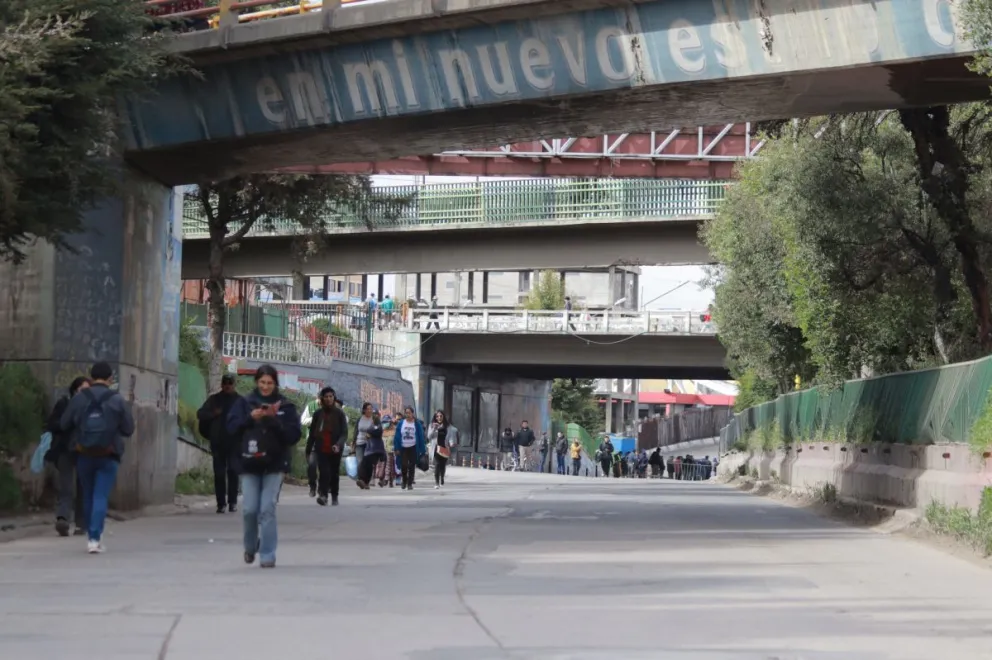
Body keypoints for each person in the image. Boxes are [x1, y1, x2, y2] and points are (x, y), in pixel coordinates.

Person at [227, 365, 301, 568]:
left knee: (267, 508)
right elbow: (231, 428)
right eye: (262, 382)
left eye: (269, 383)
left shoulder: (285, 406)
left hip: (274, 464)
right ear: (257, 383)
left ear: (275, 384)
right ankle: (250, 547)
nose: (266, 387)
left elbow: (294, 435)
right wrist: (249, 419)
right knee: (250, 509)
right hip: (249, 463)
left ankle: (268, 554)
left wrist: (274, 420)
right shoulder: (245, 403)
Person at [60, 362, 134, 554]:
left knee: (88, 494)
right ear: (110, 378)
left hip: (83, 453)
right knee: (100, 495)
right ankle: (95, 538)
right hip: (108, 454)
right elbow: (128, 429)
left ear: (91, 377)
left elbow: (64, 423)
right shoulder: (117, 400)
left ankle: (90, 534)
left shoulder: (79, 398)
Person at [47, 376, 90, 537]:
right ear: (75, 389)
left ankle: (81, 523)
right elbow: (52, 424)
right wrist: (67, 423)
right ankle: (63, 519)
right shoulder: (64, 404)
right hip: (65, 450)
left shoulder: (90, 407)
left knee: (82, 487)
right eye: (82, 389)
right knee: (66, 487)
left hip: (84, 451)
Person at [197, 374, 241, 514]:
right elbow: (200, 414)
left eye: (230, 383)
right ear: (222, 385)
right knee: (219, 474)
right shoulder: (214, 400)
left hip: (235, 443)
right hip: (218, 442)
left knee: (233, 471)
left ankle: (232, 501)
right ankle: (221, 503)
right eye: (225, 383)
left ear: (234, 385)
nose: (227, 385)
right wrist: (213, 414)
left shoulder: (240, 401)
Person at [305, 387, 348, 506]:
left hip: (335, 448)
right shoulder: (318, 414)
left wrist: (338, 444)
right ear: (322, 399)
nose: (328, 399)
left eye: (331, 396)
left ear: (334, 398)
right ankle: (323, 495)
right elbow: (313, 433)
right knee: (324, 472)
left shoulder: (339, 413)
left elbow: (344, 432)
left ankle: (334, 495)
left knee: (334, 472)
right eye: (326, 397)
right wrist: (308, 450)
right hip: (321, 446)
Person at [393, 406, 426, 490]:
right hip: (403, 447)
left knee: (412, 466)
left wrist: (422, 449)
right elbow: (397, 436)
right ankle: (404, 481)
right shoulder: (401, 423)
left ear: (412, 413)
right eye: (406, 413)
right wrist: (396, 448)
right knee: (403, 465)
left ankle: (410, 483)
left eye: (409, 413)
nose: (407, 414)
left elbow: (420, 436)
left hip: (413, 447)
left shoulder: (416, 423)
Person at [427, 410, 457, 489]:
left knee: (443, 465)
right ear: (435, 417)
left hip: (444, 448)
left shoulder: (448, 426)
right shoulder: (432, 425)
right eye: (437, 416)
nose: (439, 418)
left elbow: (450, 437)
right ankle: (437, 482)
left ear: (443, 417)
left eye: (441, 416)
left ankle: (442, 477)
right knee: (437, 464)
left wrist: (451, 443)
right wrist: (434, 428)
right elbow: (429, 437)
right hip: (436, 448)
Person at [356, 410, 385, 490]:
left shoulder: (379, 425)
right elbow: (368, 432)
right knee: (365, 464)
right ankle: (363, 481)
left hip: (375, 449)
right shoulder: (371, 424)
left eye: (376, 415)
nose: (374, 416)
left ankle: (365, 481)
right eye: (373, 415)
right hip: (369, 448)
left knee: (367, 464)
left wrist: (370, 433)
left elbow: (377, 432)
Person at [353, 402, 375, 466]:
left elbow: (378, 431)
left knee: (368, 463)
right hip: (359, 443)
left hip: (370, 444)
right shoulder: (360, 419)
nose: (369, 410)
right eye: (368, 409)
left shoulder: (374, 419)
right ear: (364, 410)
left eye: (371, 409)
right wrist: (354, 443)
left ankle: (368, 475)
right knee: (360, 462)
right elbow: (356, 431)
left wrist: (371, 434)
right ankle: (361, 475)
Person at [380, 414, 396, 487]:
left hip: (390, 451)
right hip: (382, 451)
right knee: (383, 465)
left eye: (386, 422)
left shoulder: (394, 430)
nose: (385, 424)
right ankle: (385, 479)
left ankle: (387, 480)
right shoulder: (382, 431)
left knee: (389, 465)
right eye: (384, 422)